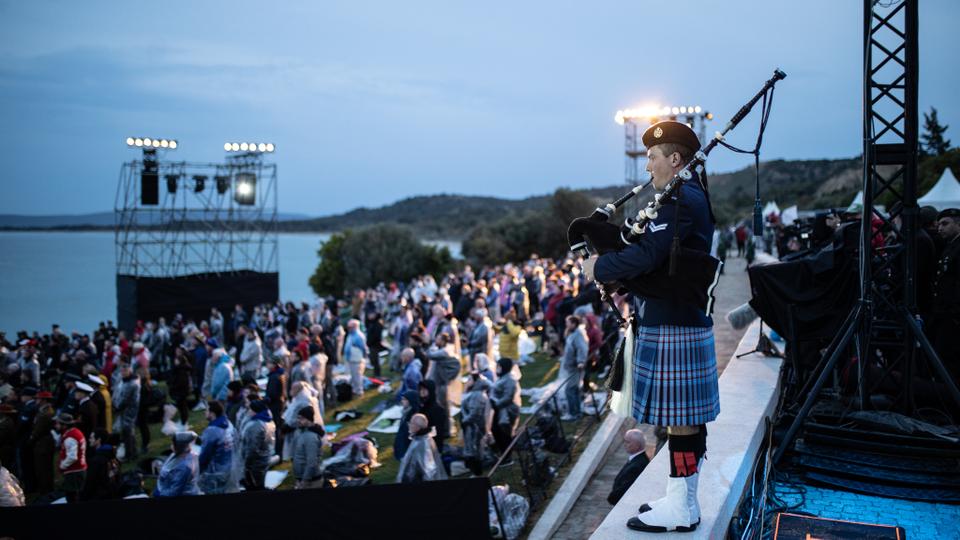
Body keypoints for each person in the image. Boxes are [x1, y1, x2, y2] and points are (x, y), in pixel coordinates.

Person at [583, 121, 720, 533]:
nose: (648, 167)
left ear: (675, 159)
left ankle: (683, 508)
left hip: (674, 321)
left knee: (681, 421)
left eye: (653, 157)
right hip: (674, 317)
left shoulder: (681, 200)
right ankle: (681, 499)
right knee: (681, 421)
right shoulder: (685, 196)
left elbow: (648, 256)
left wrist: (600, 267)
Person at [932, 208, 960, 374]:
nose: (940, 228)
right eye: (939, 224)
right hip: (945, 312)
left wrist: (955, 312)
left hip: (953, 314)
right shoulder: (950, 245)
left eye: (945, 223)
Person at [198, 401, 238, 494]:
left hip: (216, 473)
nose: (204, 412)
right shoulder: (228, 423)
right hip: (230, 468)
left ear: (212, 413)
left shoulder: (212, 430)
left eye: (206, 410)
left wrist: (197, 471)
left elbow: (204, 456)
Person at [396, 413, 448, 483]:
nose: (409, 425)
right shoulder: (421, 438)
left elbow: (428, 471)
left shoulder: (422, 443)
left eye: (411, 423)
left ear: (418, 427)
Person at [460, 374, 493, 475]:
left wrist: (464, 421)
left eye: (469, 379)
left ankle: (477, 473)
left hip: (474, 428)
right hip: (472, 427)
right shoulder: (474, 393)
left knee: (476, 451)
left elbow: (474, 414)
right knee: (474, 450)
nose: (467, 381)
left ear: (476, 381)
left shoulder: (477, 395)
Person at [607, 429, 651, 505]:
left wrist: (611, 498)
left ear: (637, 445)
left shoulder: (637, 465)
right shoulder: (637, 459)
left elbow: (625, 489)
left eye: (627, 442)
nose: (624, 444)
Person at [241, 400, 275, 491]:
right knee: (259, 484)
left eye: (250, 409)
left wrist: (246, 465)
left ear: (254, 411)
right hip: (264, 458)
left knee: (254, 487)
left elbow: (252, 448)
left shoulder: (256, 425)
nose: (248, 412)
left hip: (255, 463)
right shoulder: (269, 421)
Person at [154, 431, 201, 497]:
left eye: (173, 444)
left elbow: (175, 492)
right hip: (165, 486)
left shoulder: (184, 467)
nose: (171, 445)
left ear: (179, 446)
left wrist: (160, 493)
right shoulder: (176, 454)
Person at [490, 358, 521, 457]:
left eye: (498, 367)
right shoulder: (502, 377)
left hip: (506, 411)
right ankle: (502, 451)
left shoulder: (510, 380)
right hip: (498, 409)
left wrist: (496, 404)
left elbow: (508, 397)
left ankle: (507, 455)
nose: (496, 369)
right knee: (495, 430)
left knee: (503, 432)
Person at [560, 315, 589, 420]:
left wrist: (581, 361)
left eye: (568, 323)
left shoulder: (578, 335)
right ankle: (578, 412)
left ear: (574, 324)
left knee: (570, 390)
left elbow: (582, 348)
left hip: (576, 367)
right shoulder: (572, 333)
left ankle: (574, 414)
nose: (566, 324)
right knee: (575, 389)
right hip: (572, 367)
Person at [54, 412, 87, 502]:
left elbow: (72, 457)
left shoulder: (70, 437)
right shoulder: (75, 432)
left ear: (64, 425)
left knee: (72, 498)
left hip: (74, 473)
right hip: (78, 471)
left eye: (57, 423)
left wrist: (62, 466)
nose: (56, 426)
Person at [81, 429, 121, 501]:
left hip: (98, 499)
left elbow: (90, 482)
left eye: (91, 438)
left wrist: (83, 498)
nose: (89, 440)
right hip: (113, 497)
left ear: (98, 440)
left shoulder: (96, 461)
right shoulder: (114, 458)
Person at [290, 406, 325, 489]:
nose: (298, 421)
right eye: (298, 418)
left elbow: (311, 462)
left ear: (308, 419)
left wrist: (305, 481)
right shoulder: (302, 433)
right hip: (304, 479)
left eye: (301, 418)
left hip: (311, 482)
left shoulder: (311, 438)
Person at [114, 361, 141, 460]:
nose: (123, 373)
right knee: (128, 433)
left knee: (128, 433)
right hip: (125, 410)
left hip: (129, 410)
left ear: (129, 371)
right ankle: (133, 452)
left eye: (125, 371)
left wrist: (117, 407)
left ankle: (130, 454)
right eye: (122, 371)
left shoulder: (132, 384)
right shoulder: (124, 381)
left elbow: (125, 399)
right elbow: (118, 393)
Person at [343, 319, 368, 397]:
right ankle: (355, 390)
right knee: (354, 376)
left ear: (355, 326)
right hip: (351, 359)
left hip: (356, 359)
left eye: (350, 327)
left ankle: (359, 391)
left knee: (358, 376)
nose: (348, 328)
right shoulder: (350, 335)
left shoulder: (359, 336)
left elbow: (363, 348)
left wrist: (364, 358)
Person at [393, 390, 421, 461]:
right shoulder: (406, 411)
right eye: (402, 399)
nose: (402, 401)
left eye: (404, 399)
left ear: (411, 400)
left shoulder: (414, 415)